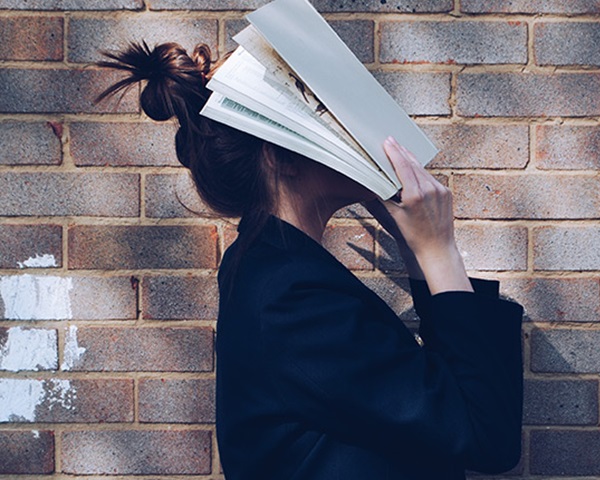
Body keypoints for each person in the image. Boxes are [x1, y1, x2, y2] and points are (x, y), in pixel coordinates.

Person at [95, 41, 524, 479]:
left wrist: (415, 245)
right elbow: (485, 435)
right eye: (326, 119)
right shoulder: (291, 300)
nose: (352, 131)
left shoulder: (275, 273)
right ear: (281, 156)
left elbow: (449, 407)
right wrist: (439, 250)